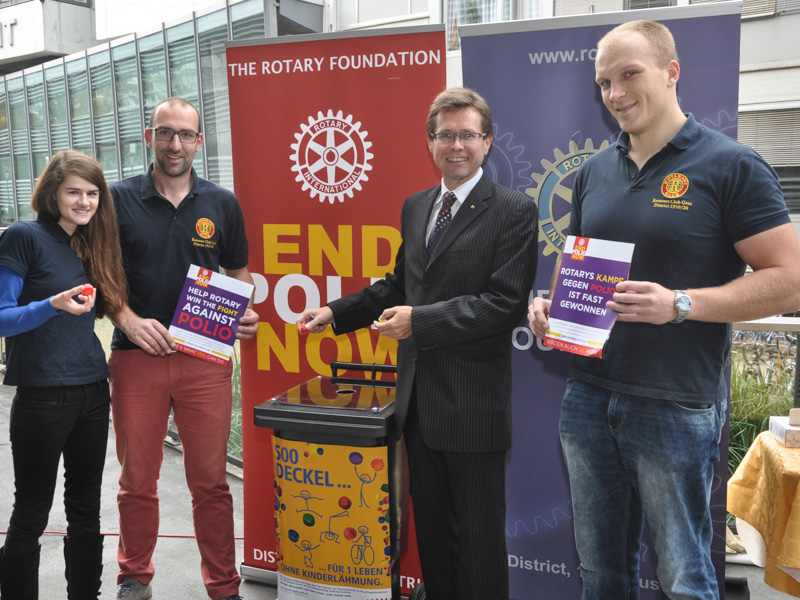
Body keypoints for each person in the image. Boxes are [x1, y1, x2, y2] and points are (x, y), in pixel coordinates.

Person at [528, 20, 800, 600]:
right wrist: (549, 307)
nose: (615, 93)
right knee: (601, 574)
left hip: (675, 405)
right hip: (588, 397)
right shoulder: (592, 172)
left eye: (630, 74)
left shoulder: (732, 165)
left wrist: (680, 304)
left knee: (685, 580)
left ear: (672, 72)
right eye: (604, 82)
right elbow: (574, 262)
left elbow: (791, 282)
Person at [298, 87, 538, 600]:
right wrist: (336, 313)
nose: (456, 145)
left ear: (487, 142)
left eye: (467, 135)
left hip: (472, 409)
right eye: (445, 135)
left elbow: (504, 304)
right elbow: (398, 285)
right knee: (431, 540)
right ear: (430, 143)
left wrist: (419, 322)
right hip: (418, 406)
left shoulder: (514, 210)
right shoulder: (417, 207)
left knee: (477, 548)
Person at [108, 97, 259, 600]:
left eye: (186, 135)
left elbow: (238, 274)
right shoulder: (116, 199)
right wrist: (127, 320)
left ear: (199, 141)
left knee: (211, 483)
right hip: (135, 360)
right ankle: (134, 577)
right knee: (137, 480)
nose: (176, 144)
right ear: (148, 135)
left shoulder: (222, 203)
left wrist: (241, 310)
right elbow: (99, 275)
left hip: (204, 361)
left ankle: (223, 586)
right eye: (166, 133)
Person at [0, 150, 127, 599]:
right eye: (74, 191)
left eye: (92, 193)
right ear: (52, 192)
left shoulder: (88, 243)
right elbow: (1, 317)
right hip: (42, 397)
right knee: (31, 514)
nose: (84, 201)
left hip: (93, 391)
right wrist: (50, 304)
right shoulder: (23, 236)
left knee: (86, 512)